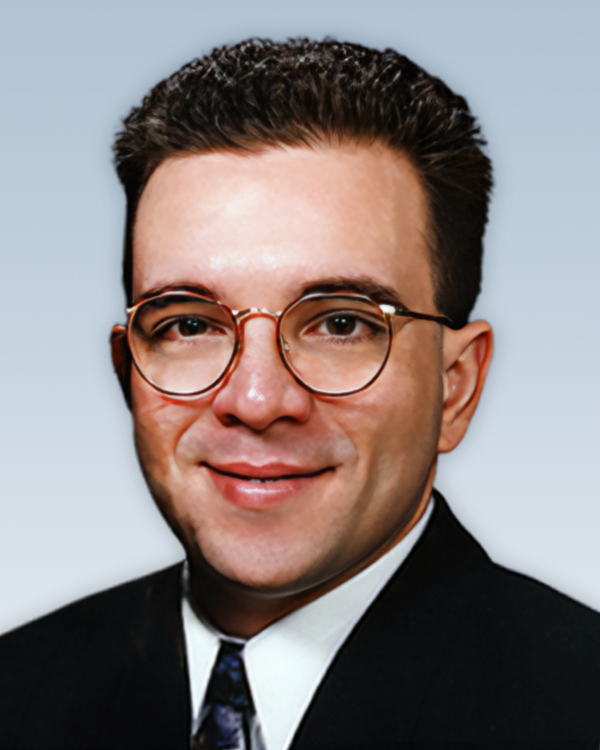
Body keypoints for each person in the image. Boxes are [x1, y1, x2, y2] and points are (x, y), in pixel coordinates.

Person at [0, 38, 599, 749]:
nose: (256, 400)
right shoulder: (19, 689)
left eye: (341, 324)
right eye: (190, 324)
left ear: (455, 387)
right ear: (127, 370)